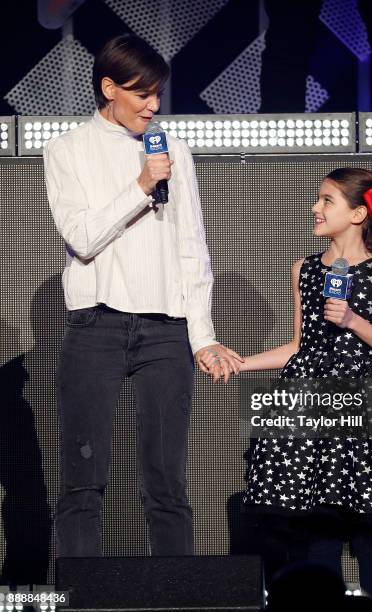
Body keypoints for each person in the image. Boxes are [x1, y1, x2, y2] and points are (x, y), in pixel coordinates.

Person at [43, 33, 242, 558]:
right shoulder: (66, 151)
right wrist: (139, 187)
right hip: (96, 327)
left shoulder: (172, 149)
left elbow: (190, 246)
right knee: (83, 482)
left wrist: (202, 337)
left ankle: (175, 593)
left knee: (167, 485)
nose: (153, 106)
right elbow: (82, 238)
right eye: (141, 94)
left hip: (165, 331)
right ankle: (83, 597)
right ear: (109, 88)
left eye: (158, 94)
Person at [238, 168, 372, 611]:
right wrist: (241, 362)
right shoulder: (304, 270)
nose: (316, 208)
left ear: (358, 213)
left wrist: (353, 321)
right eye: (318, 199)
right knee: (319, 534)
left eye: (327, 200)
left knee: (370, 535)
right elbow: (297, 347)